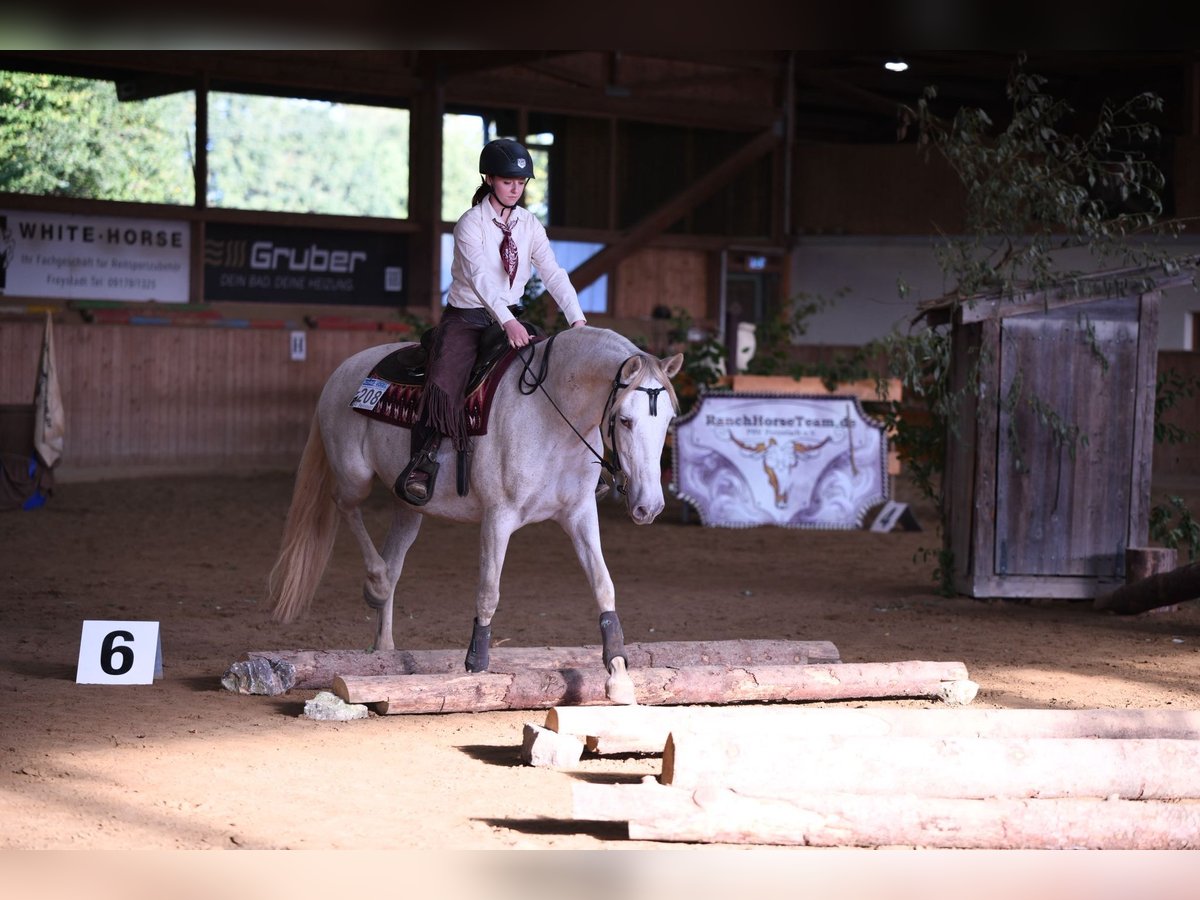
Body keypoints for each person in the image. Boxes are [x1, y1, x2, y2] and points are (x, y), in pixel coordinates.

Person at [397, 138, 588, 504]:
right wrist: (506, 321)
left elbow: (552, 272)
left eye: (521, 183)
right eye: (507, 181)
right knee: (444, 379)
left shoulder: (530, 225)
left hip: (509, 316)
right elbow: (481, 278)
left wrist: (577, 320)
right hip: (467, 318)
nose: (515, 189)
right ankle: (422, 462)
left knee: (549, 369)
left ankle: (567, 462)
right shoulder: (470, 225)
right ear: (489, 179)